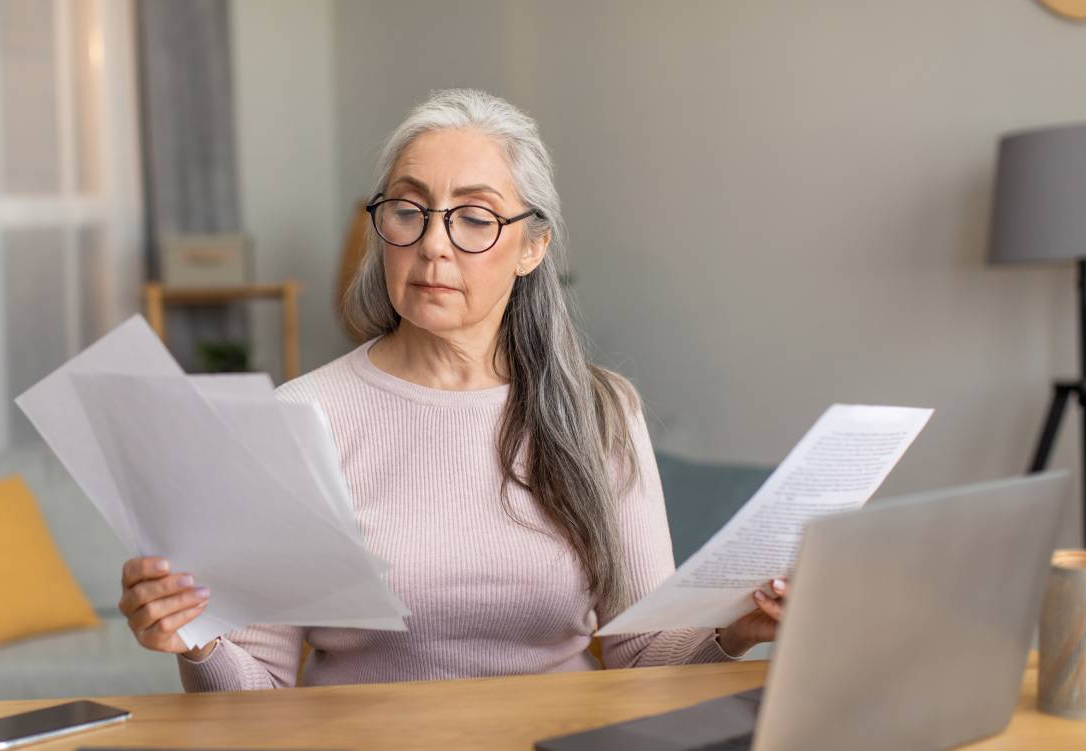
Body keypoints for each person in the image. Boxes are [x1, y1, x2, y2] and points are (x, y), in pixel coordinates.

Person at [117, 89, 786, 692]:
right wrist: (193, 638)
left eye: (474, 217)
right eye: (409, 210)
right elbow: (257, 691)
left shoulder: (600, 409)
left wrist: (736, 630)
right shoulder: (301, 415)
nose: (434, 242)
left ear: (532, 247)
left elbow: (644, 658)